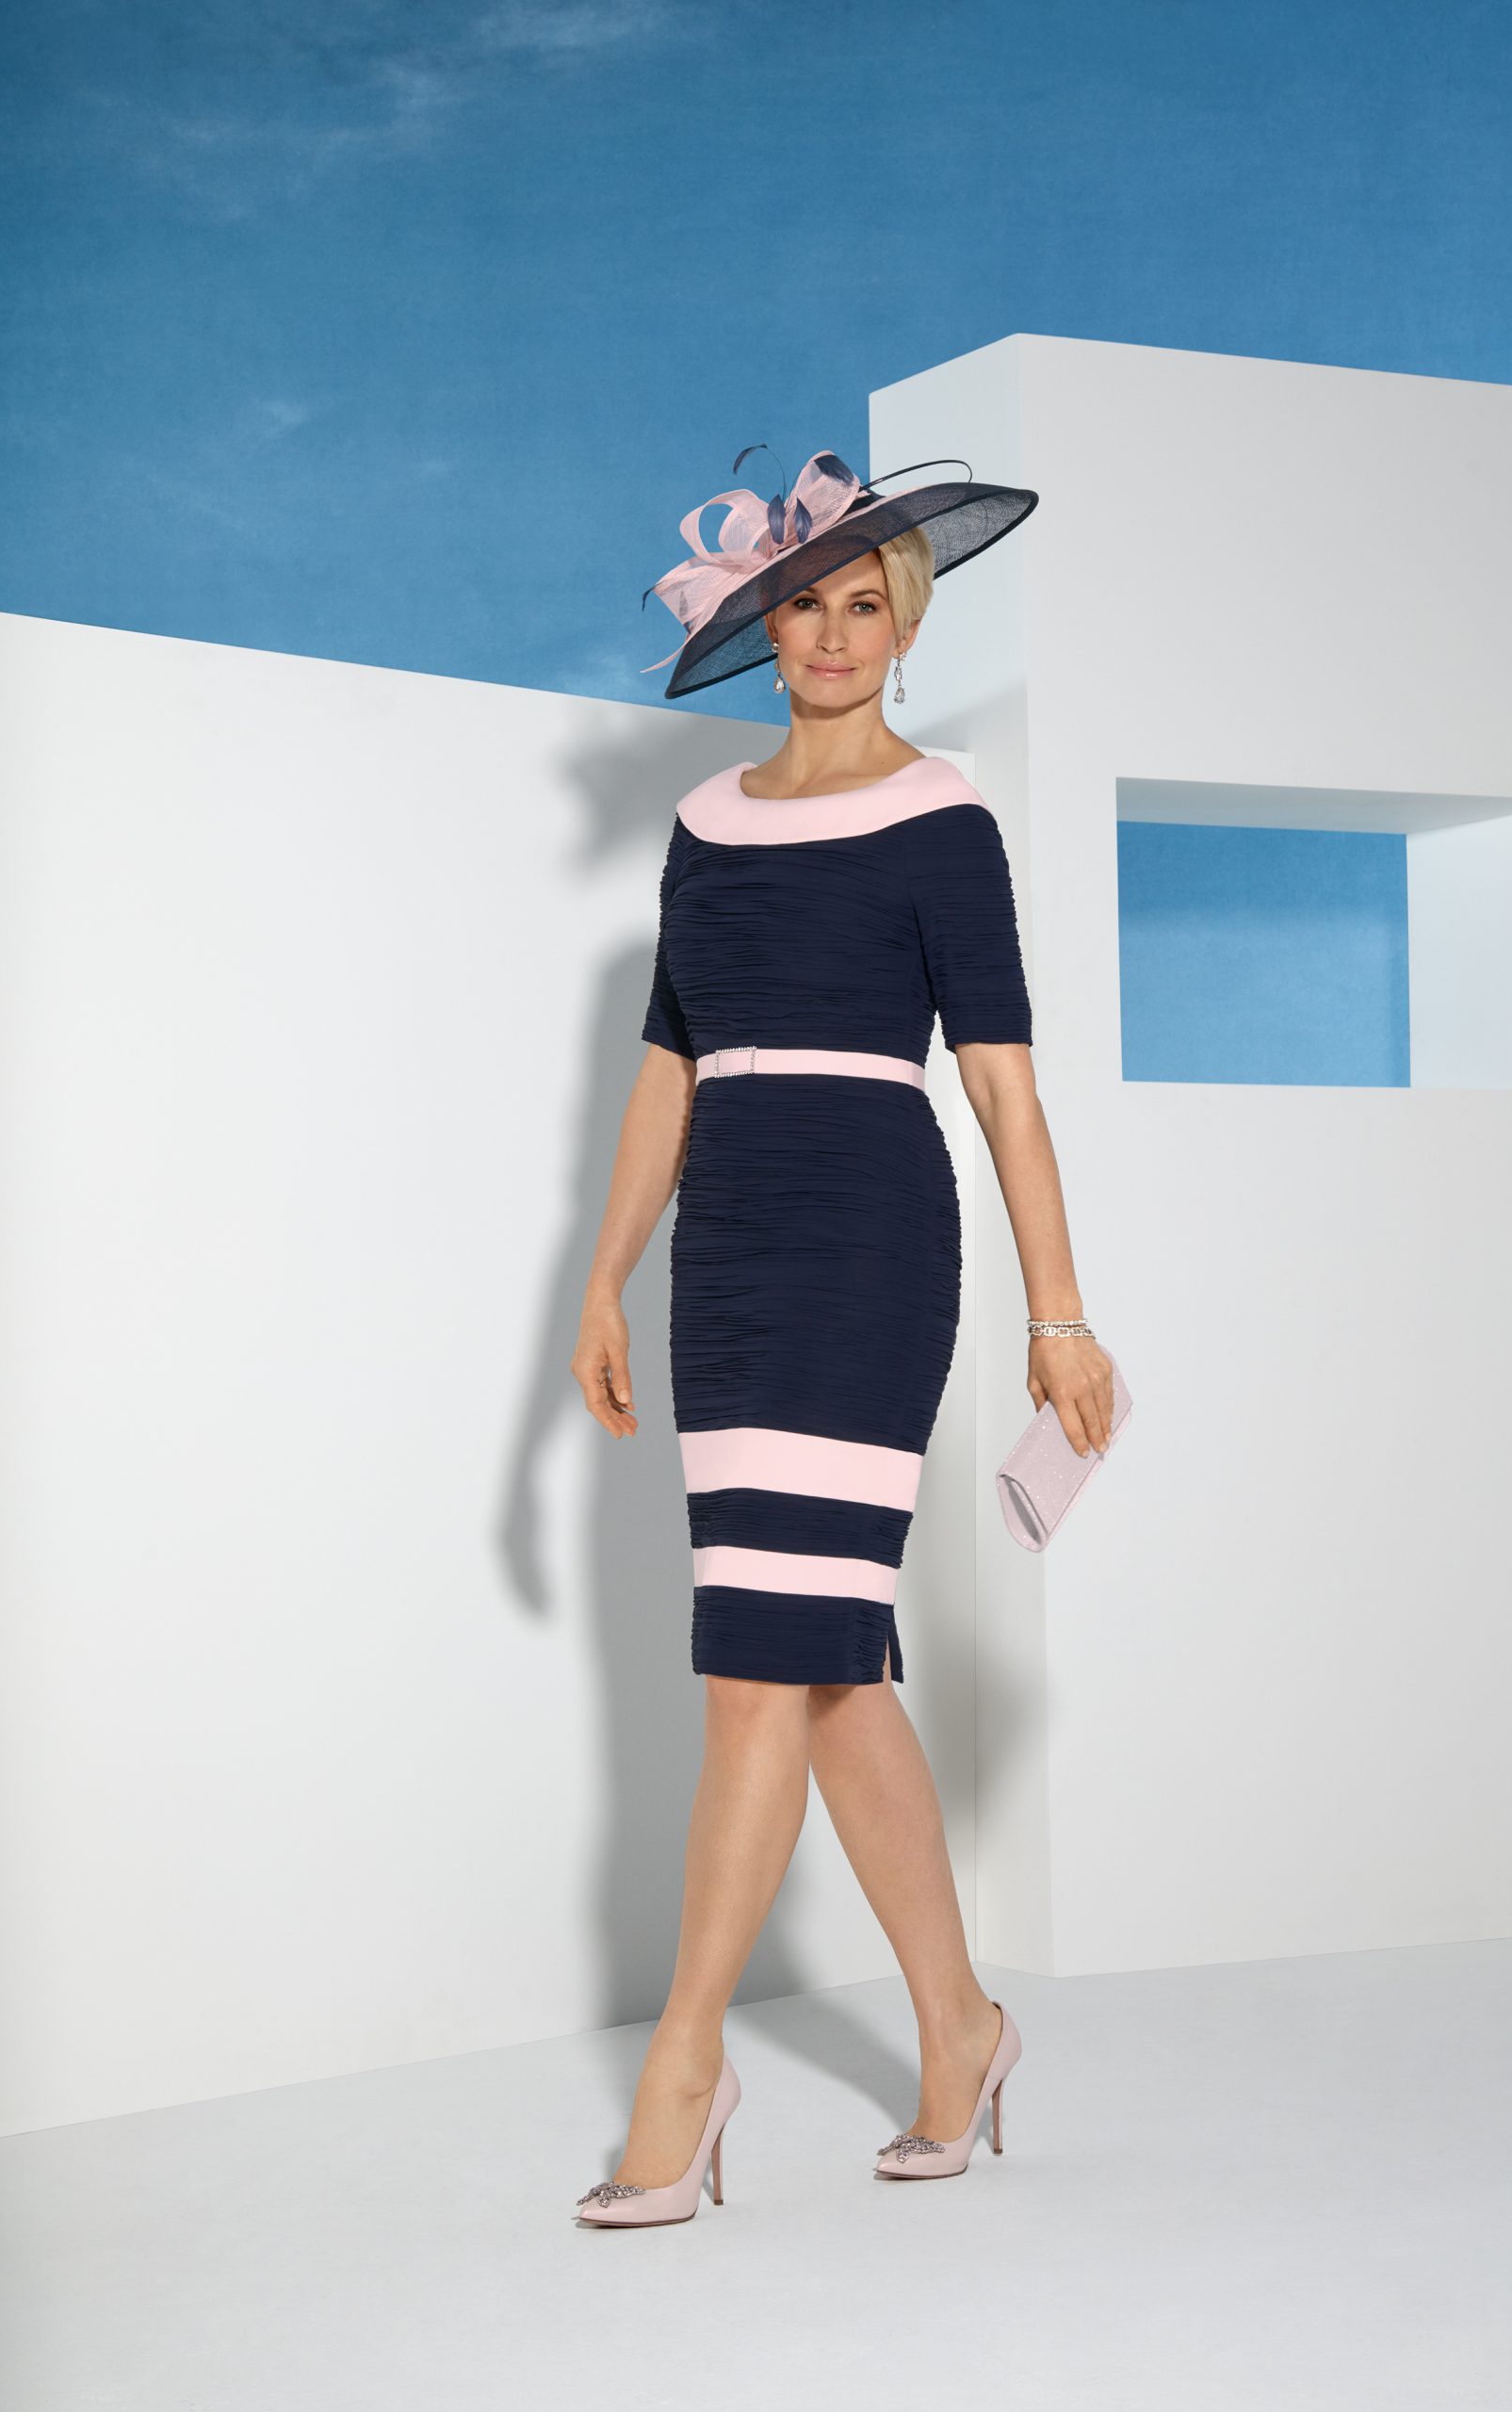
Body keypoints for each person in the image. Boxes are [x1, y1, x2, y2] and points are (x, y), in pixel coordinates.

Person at [568, 448, 1117, 2226]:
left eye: (861, 604)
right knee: (826, 1667)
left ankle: (683, 2069)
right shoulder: (704, 827)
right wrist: (603, 1276)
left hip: (873, 1244)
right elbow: (668, 1069)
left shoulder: (945, 817)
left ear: (905, 629)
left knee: (754, 1667)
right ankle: (961, 2029)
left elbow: (1005, 1092)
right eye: (802, 602)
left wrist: (1058, 1314)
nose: (828, 632)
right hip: (726, 1259)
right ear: (767, 627)